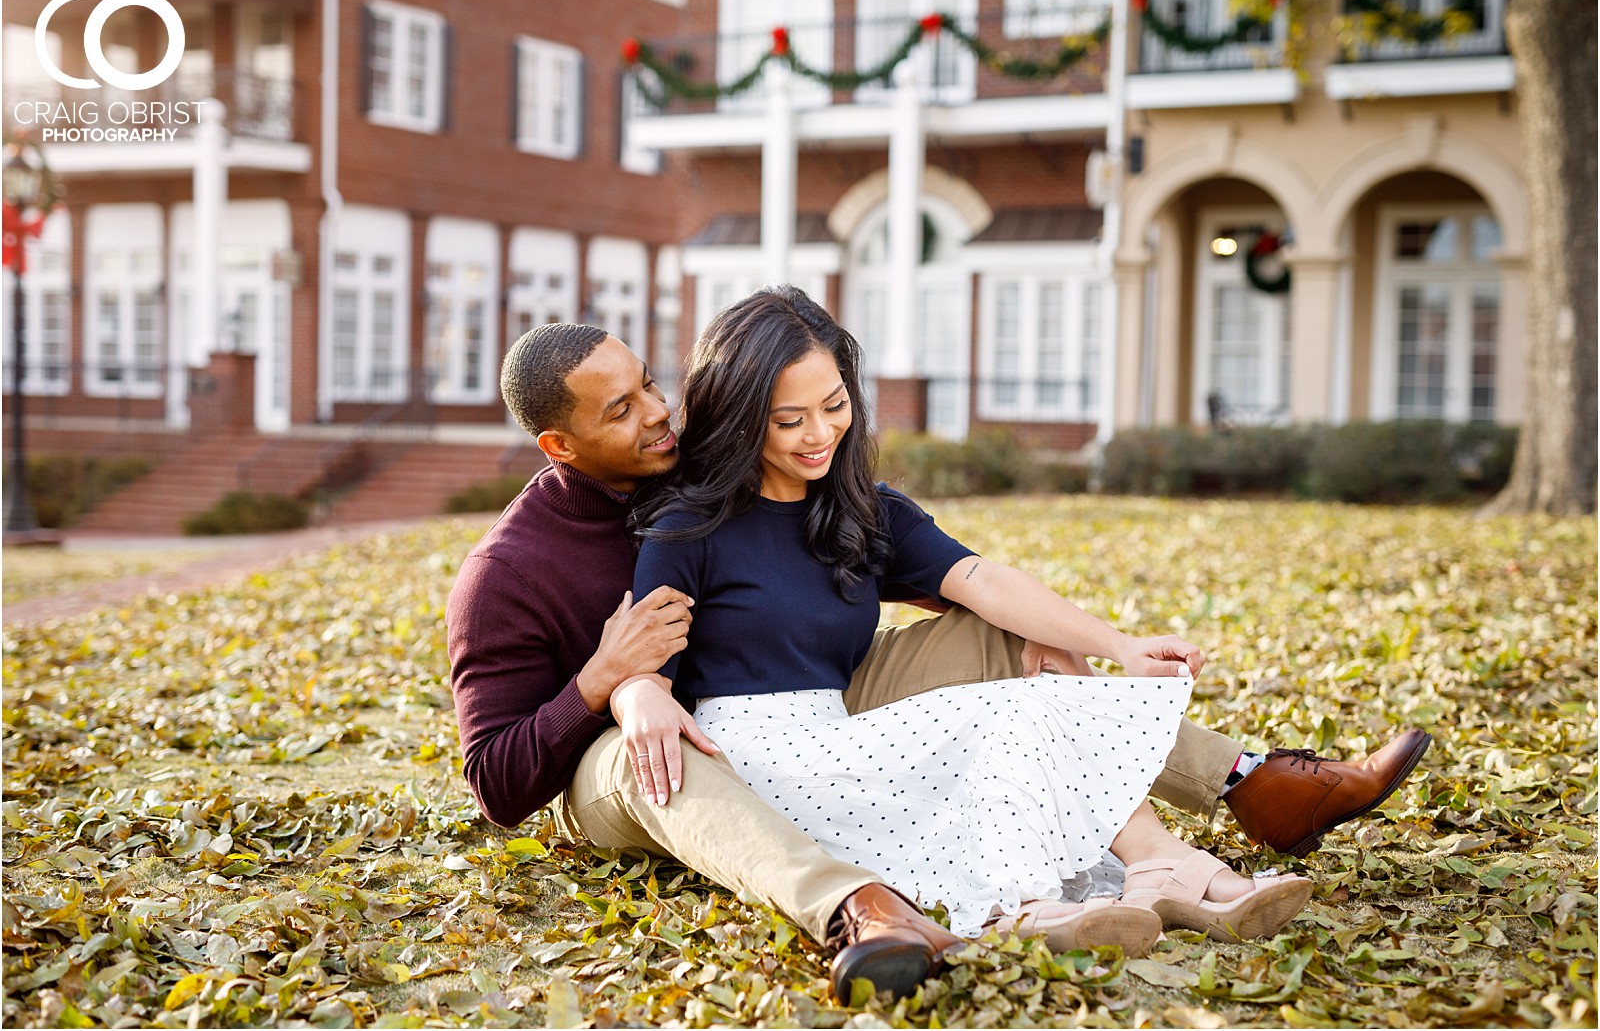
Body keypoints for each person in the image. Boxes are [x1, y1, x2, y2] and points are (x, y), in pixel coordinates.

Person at [446, 314, 1431, 1001]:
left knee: (1013, 638)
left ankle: (1252, 786)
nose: (657, 412)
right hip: (612, 760)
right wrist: (607, 684)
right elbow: (496, 782)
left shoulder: (700, 467)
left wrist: (1081, 640)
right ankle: (862, 912)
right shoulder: (509, 570)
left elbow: (857, 559)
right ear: (559, 446)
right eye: (618, 411)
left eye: (649, 384)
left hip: (790, 700)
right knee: (658, 750)